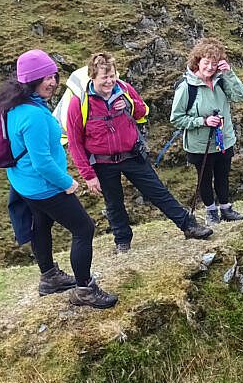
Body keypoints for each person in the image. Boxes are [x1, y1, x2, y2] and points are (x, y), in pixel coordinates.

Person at [0, 49, 117, 308]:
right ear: (30, 81)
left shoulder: (15, 105)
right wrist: (67, 182)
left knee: (41, 224)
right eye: (45, 78)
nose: (52, 82)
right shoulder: (33, 115)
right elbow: (42, 162)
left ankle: (49, 277)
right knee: (84, 228)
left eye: (53, 76)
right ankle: (85, 289)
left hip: (23, 183)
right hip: (44, 186)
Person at [65, 52, 212, 253]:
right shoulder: (79, 103)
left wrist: (129, 105)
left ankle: (189, 226)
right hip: (103, 162)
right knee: (114, 203)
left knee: (158, 192)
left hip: (132, 154)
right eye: (104, 78)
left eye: (112, 76)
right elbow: (75, 143)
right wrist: (89, 176)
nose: (109, 82)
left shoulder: (124, 89)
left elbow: (143, 111)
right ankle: (122, 241)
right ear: (92, 77)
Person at [170, 38, 243, 225]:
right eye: (206, 62)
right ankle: (211, 212)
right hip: (200, 145)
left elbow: (241, 96)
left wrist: (229, 73)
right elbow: (176, 118)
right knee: (204, 178)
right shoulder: (186, 87)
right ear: (197, 61)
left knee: (223, 175)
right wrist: (203, 121)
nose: (210, 67)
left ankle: (226, 209)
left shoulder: (222, 81)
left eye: (214, 64)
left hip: (224, 140)